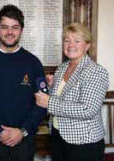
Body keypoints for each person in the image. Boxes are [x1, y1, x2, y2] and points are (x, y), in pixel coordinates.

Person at [0, 4, 47, 161]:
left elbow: (42, 104)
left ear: (21, 30)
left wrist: (22, 131)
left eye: (15, 27)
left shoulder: (33, 63)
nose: (10, 32)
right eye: (4, 27)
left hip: (24, 139)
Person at [35, 22, 109, 161]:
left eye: (77, 41)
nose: (70, 45)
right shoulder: (62, 68)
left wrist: (49, 102)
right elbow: (64, 99)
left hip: (84, 142)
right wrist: (51, 88)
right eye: (67, 40)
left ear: (87, 45)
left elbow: (88, 109)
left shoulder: (95, 71)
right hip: (58, 135)